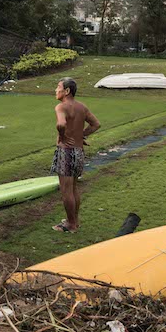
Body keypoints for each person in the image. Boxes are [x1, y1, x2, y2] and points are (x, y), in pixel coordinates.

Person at [51, 77, 100, 233]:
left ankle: (70, 225)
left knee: (66, 191)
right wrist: (81, 135)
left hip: (66, 152)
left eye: (58, 87)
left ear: (66, 91)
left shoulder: (61, 107)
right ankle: (74, 220)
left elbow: (61, 124)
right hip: (78, 152)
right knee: (73, 188)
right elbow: (96, 124)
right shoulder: (82, 107)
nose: (56, 90)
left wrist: (62, 136)